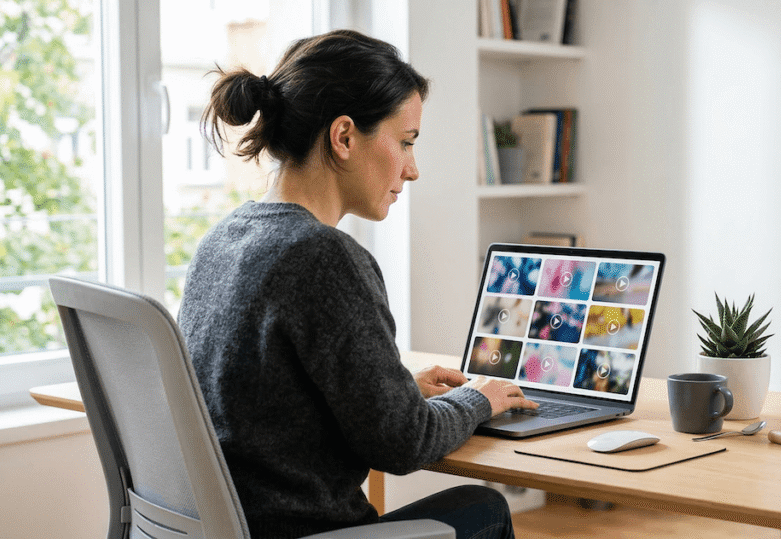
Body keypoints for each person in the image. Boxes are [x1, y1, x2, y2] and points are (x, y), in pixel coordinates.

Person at [178, 29, 538, 539]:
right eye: (406, 142)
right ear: (344, 137)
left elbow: (258, 400)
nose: (412, 170)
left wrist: (394, 392)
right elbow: (404, 444)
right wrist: (479, 398)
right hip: (301, 532)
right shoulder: (322, 257)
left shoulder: (222, 239)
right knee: (484, 507)